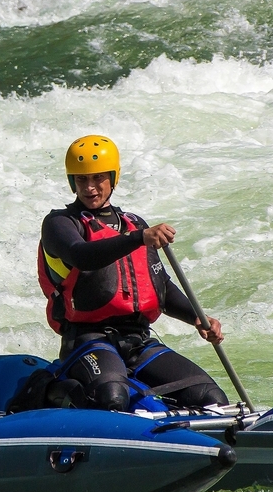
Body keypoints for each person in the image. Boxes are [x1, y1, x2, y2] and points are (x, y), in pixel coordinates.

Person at [28, 134, 230, 412]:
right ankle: (59, 392)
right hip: (88, 341)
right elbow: (82, 255)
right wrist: (139, 238)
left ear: (113, 178)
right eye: (81, 179)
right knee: (112, 397)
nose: (90, 187)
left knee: (211, 397)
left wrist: (196, 317)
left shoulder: (135, 224)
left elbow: (160, 284)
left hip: (138, 342)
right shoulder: (60, 223)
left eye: (98, 178)